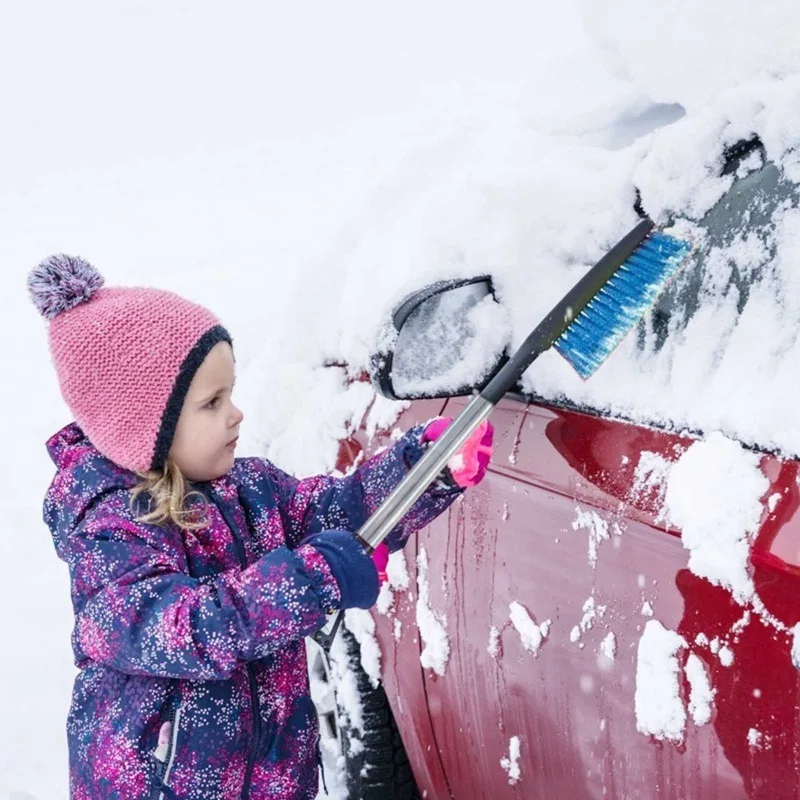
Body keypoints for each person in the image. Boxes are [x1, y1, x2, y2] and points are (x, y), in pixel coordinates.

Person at [28, 254, 494, 800]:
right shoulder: (109, 532)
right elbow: (183, 627)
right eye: (211, 403)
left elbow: (340, 511)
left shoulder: (249, 492)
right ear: (142, 429)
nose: (236, 414)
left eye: (230, 393)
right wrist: (315, 578)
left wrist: (424, 469)